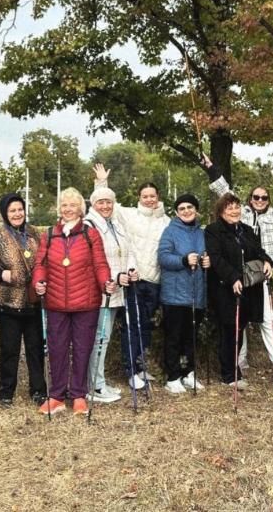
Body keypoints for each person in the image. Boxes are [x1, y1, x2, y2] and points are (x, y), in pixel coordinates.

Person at [203, 153, 273, 386]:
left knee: (266, 320)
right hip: (233, 280)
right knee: (237, 323)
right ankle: (237, 365)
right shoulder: (239, 217)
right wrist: (212, 168)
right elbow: (224, 192)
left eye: (264, 197)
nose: (260, 200)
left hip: (258, 278)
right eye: (256, 196)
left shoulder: (271, 216)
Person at [32, 188, 115, 416]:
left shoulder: (91, 234)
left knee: (82, 349)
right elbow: (40, 264)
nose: (68, 209)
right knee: (57, 350)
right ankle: (56, 396)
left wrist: (106, 282)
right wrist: (39, 281)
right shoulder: (49, 235)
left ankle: (79, 395)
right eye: (64, 205)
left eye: (72, 205)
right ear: (59, 209)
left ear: (81, 209)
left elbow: (100, 264)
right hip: (55, 303)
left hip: (86, 303)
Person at [93, 163, 168, 388]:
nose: (149, 200)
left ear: (158, 197)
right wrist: (101, 182)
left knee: (146, 326)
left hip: (154, 281)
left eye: (152, 196)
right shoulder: (129, 215)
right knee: (132, 325)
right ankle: (131, 370)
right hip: (134, 280)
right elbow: (105, 205)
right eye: (145, 196)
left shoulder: (166, 221)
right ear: (139, 198)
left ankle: (141, 365)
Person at [205, 193, 273, 388]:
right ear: (221, 212)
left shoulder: (246, 230)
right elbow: (216, 258)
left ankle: (234, 369)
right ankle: (229, 375)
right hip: (224, 288)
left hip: (247, 288)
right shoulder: (213, 231)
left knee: (240, 327)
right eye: (230, 208)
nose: (235, 211)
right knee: (228, 329)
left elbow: (258, 251)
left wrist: (267, 261)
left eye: (237, 207)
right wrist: (233, 277)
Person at [0, 193, 47, 408]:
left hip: (33, 301)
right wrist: (2, 274)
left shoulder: (35, 233)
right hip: (8, 302)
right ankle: (6, 391)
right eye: (12, 210)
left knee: (35, 348)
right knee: (9, 349)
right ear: (5, 213)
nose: (17, 214)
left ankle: (38, 390)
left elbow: (45, 260)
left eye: (20, 209)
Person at [84, 186, 137, 404]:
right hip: (101, 292)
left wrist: (131, 270)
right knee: (100, 338)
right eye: (101, 202)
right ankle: (94, 386)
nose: (105, 206)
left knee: (103, 338)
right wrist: (115, 276)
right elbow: (92, 260)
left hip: (117, 291)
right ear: (93, 204)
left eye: (109, 202)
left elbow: (128, 250)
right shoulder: (90, 225)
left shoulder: (115, 223)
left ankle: (99, 381)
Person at [158, 194, 210, 394]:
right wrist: (183, 260)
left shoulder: (202, 233)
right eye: (182, 208)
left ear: (196, 210)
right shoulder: (170, 231)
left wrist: (207, 262)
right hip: (175, 294)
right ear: (177, 212)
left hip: (197, 294)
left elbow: (207, 255)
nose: (187, 211)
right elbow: (163, 257)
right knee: (174, 337)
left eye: (190, 207)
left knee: (191, 337)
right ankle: (173, 376)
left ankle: (189, 372)